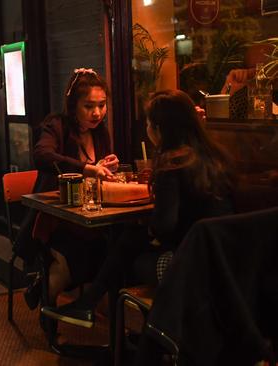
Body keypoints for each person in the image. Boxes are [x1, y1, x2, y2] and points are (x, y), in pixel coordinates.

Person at [41, 89, 235, 328]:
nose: (97, 112)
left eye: (150, 123)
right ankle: (111, 319)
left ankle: (132, 331)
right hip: (226, 261)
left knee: (127, 257)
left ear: (161, 129)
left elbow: (165, 228)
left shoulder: (172, 166)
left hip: (188, 265)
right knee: (129, 240)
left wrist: (149, 227)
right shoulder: (215, 157)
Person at [24, 69, 120, 313]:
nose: (97, 113)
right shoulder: (56, 125)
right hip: (57, 217)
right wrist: (87, 169)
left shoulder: (100, 132)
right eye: (89, 106)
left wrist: (106, 167)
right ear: (72, 105)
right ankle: (50, 313)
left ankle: (100, 316)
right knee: (70, 255)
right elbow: (42, 156)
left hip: (91, 215)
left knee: (116, 247)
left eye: (102, 105)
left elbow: (97, 172)